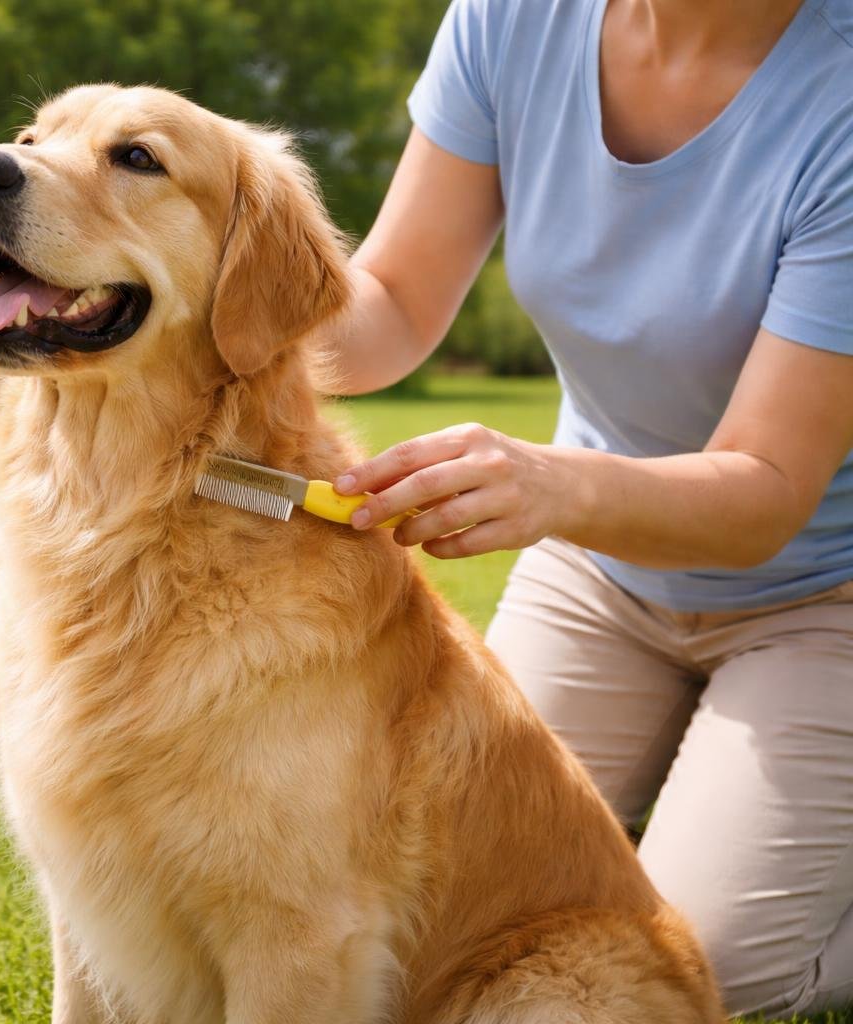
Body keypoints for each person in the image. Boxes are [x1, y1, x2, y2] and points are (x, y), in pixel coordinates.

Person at [314, 0, 853, 1014]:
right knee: (434, 898)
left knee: (705, 968)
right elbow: (388, 299)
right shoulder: (511, 19)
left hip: (821, 597)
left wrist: (550, 484)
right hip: (602, 574)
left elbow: (768, 488)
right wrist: (174, 286)